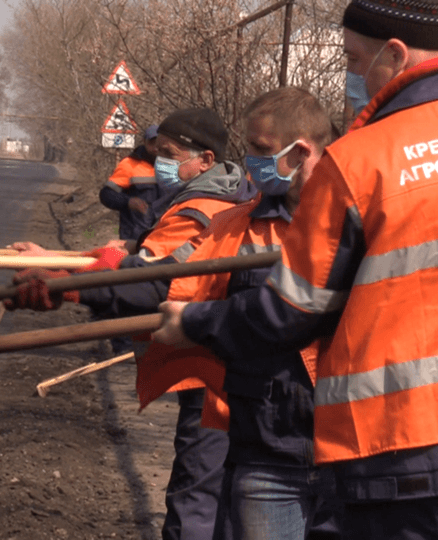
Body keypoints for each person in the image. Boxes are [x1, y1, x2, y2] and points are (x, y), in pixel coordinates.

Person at [153, 0, 438, 538]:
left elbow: (289, 311)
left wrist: (195, 323)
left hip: (410, 451)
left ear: (394, 53)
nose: (350, 76)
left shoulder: (359, 160)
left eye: (352, 57)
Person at [10, 107, 257, 540]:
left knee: (196, 498)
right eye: (157, 152)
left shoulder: (200, 210)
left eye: (170, 153)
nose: (159, 162)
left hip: (210, 374)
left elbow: (150, 280)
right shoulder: (220, 197)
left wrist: (70, 287)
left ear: (205, 160)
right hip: (223, 366)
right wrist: (58, 261)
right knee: (222, 498)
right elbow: (135, 255)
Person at [137, 88, 343, 540]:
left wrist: (198, 323)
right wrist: (83, 285)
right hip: (265, 447)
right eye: (249, 147)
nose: (250, 162)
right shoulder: (234, 224)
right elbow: (168, 282)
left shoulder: (354, 219)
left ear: (302, 151)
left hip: (348, 451)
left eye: (262, 150)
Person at [100, 124, 164, 243]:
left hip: (163, 237)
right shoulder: (129, 164)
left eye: (159, 143)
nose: (156, 148)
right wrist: (128, 201)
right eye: (152, 143)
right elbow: (106, 195)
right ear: (144, 142)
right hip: (134, 238)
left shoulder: (174, 166)